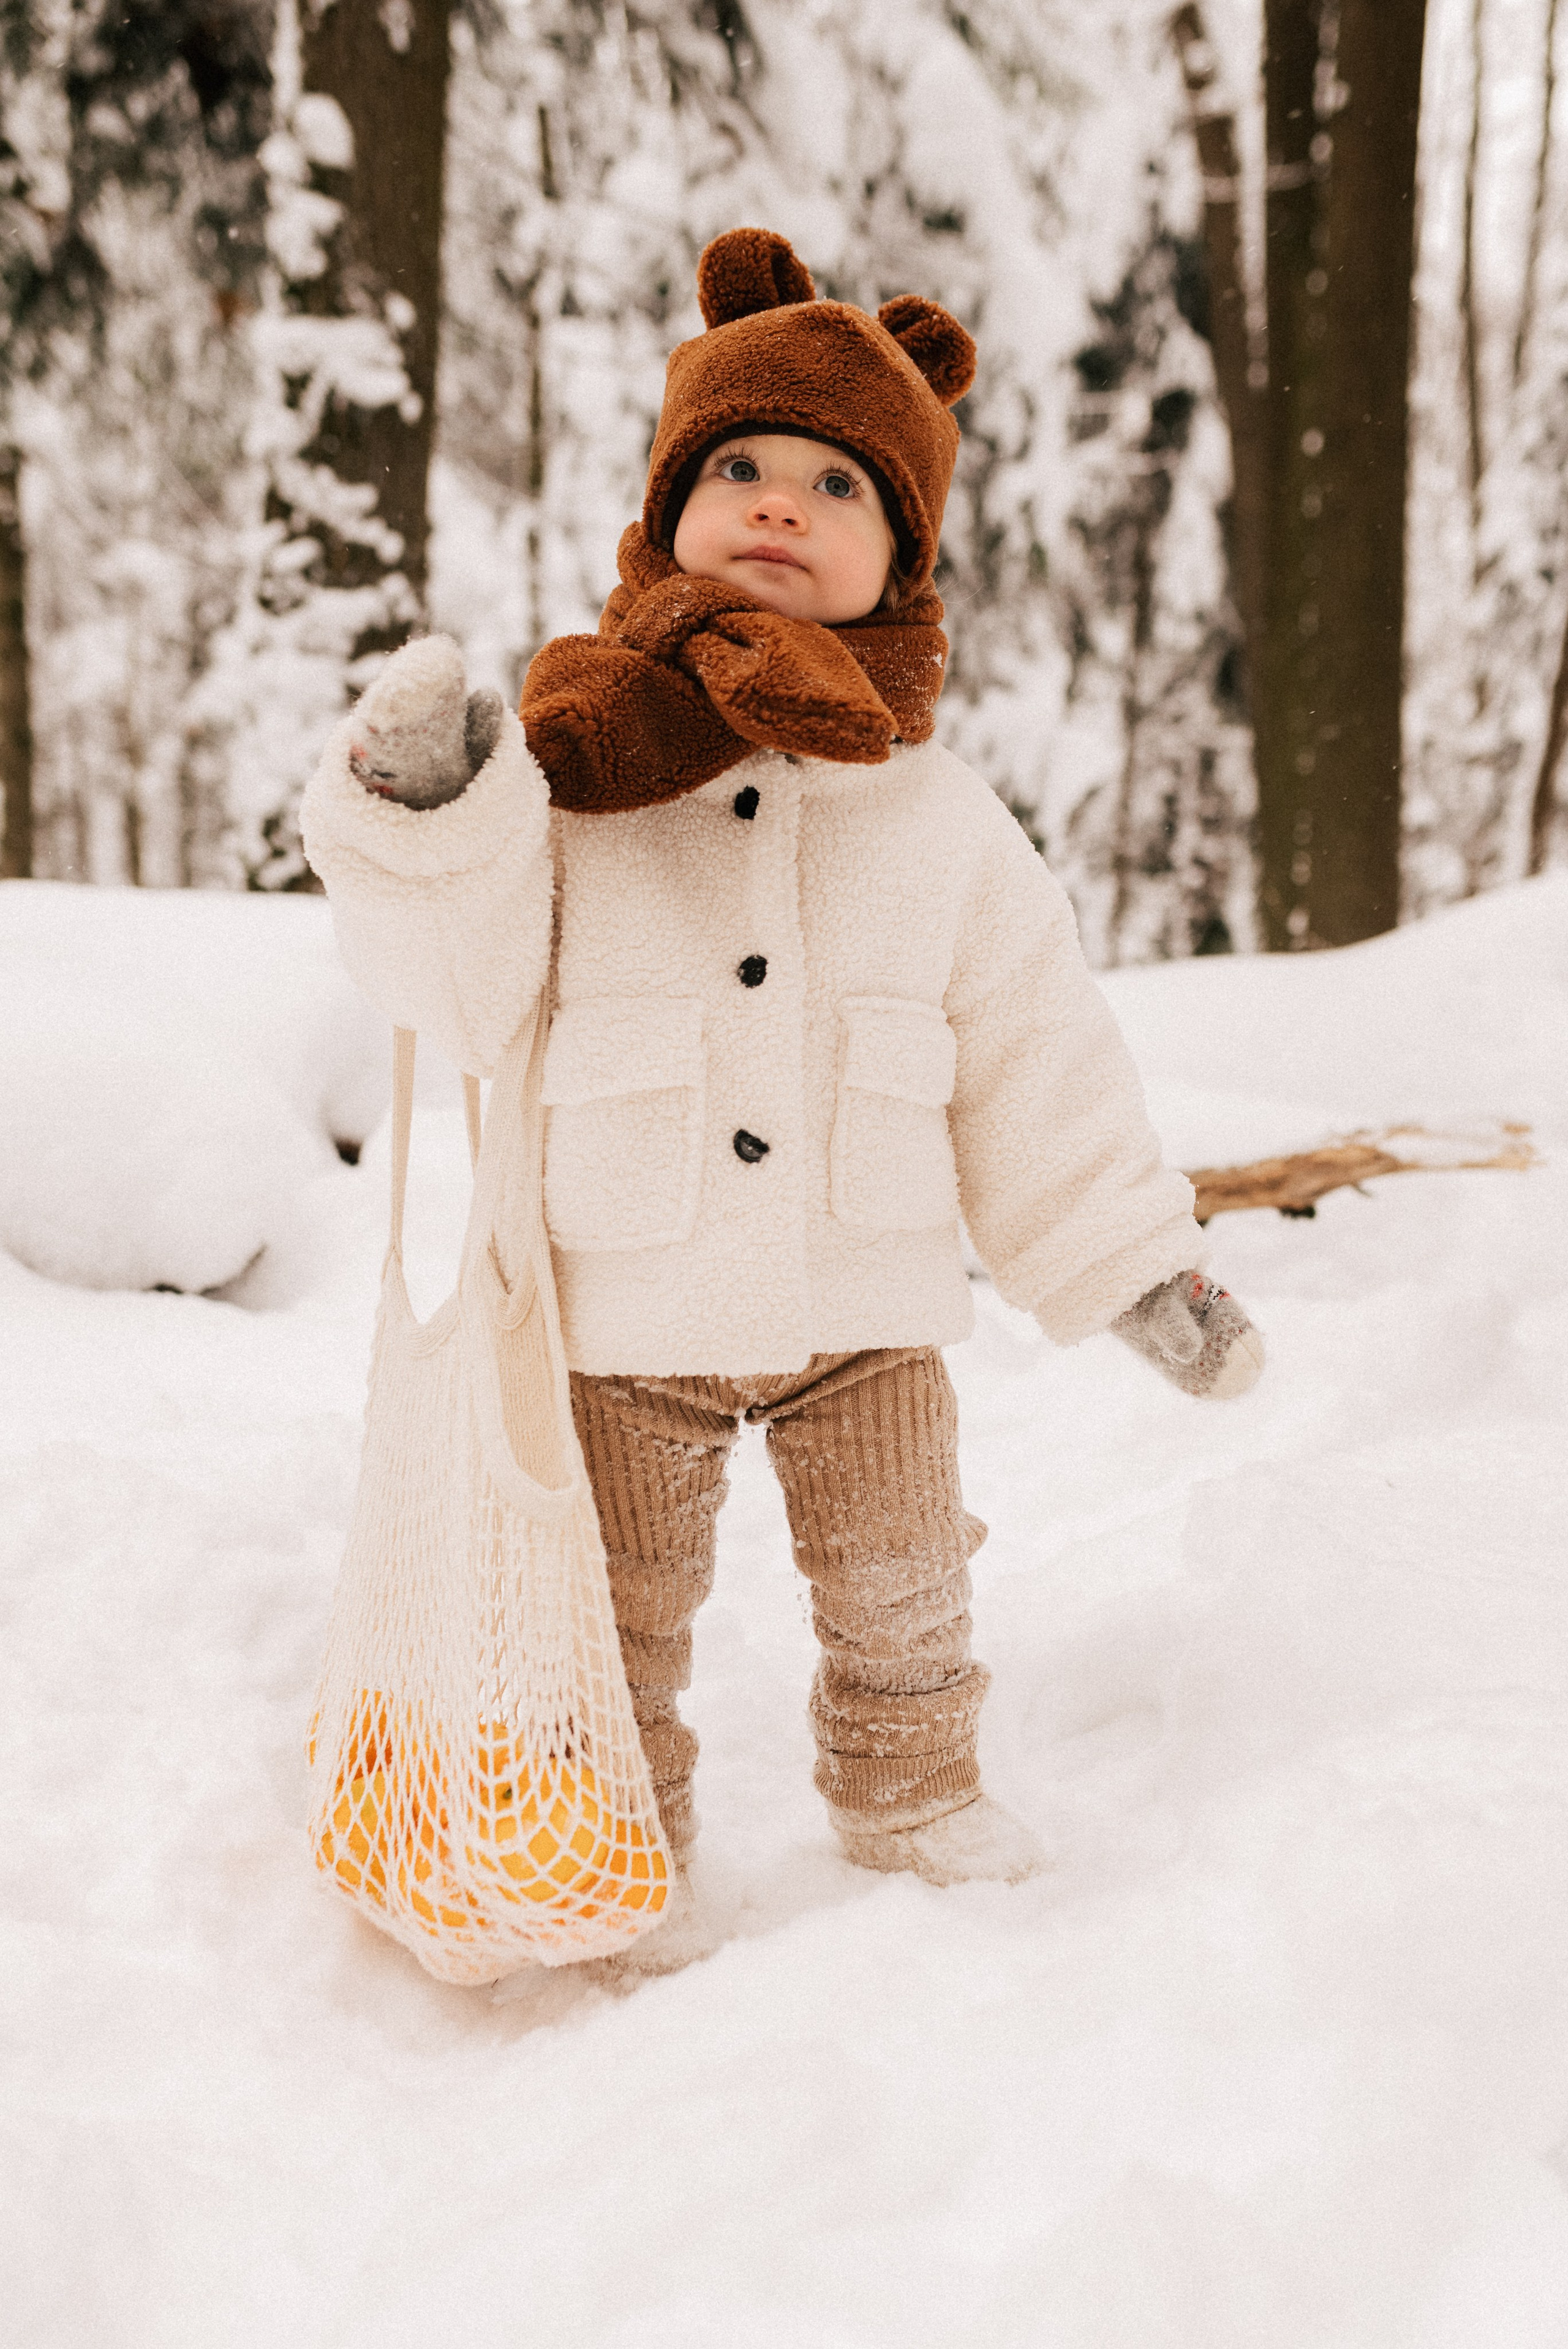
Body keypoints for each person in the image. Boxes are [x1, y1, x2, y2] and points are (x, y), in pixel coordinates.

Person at [301, 228, 1263, 1974]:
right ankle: (617, 1828)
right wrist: (433, 812)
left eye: (836, 481)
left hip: (865, 1301)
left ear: (899, 551)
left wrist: (1134, 1266)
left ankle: (910, 1788)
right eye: (734, 464)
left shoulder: (941, 817)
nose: (777, 501)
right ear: (669, 503)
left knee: (905, 1579)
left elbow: (1038, 1055)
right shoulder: (577, 771)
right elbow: (457, 989)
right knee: (613, 1606)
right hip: (627, 1299)